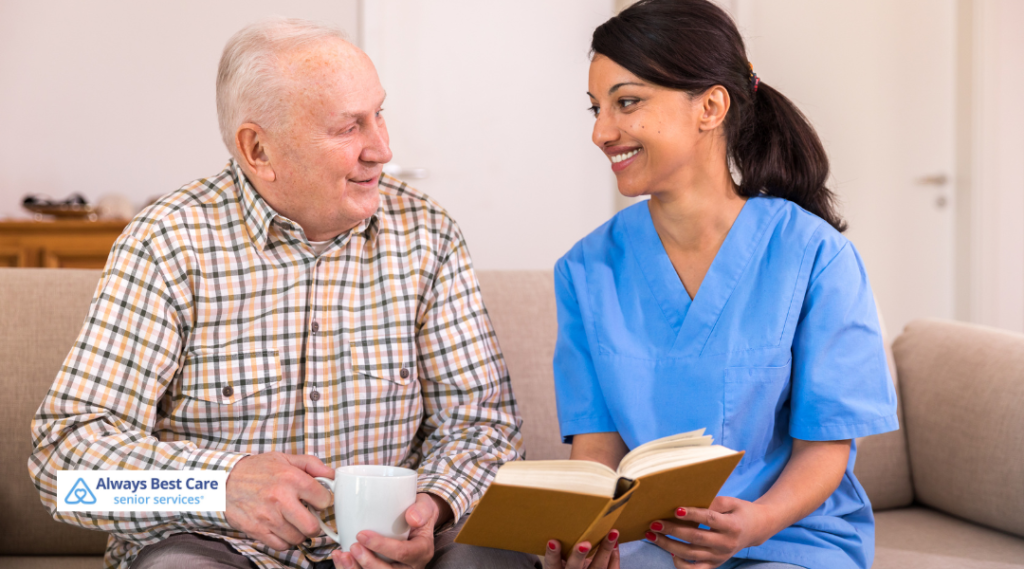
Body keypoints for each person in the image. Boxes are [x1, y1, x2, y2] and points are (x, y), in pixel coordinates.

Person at [28, 18, 538, 569]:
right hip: (215, 547)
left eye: (379, 115)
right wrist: (219, 488)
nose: (382, 149)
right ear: (258, 150)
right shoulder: (167, 243)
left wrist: (431, 509)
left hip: (393, 553)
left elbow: (483, 426)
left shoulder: (427, 234)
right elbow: (65, 469)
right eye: (348, 128)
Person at [544, 1, 898, 568]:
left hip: (791, 537)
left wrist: (756, 523)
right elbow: (598, 449)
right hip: (651, 544)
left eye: (627, 102)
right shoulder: (584, 270)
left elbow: (827, 446)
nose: (601, 132)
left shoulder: (815, 256)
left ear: (710, 106)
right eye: (596, 108)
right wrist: (585, 537)